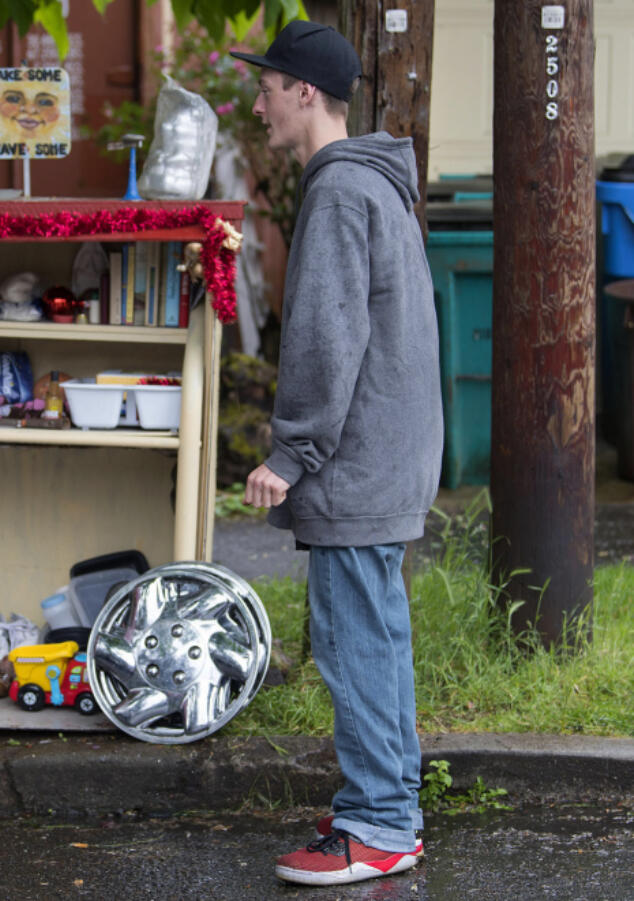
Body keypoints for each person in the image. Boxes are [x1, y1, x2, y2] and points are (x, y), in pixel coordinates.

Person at [230, 21, 443, 887]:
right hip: (392, 452)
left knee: (355, 638)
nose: (259, 102)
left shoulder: (339, 191)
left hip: (356, 458)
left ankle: (380, 822)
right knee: (377, 634)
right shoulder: (378, 184)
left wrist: (291, 454)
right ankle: (390, 803)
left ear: (305, 93)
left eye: (269, 87)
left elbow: (327, 337)